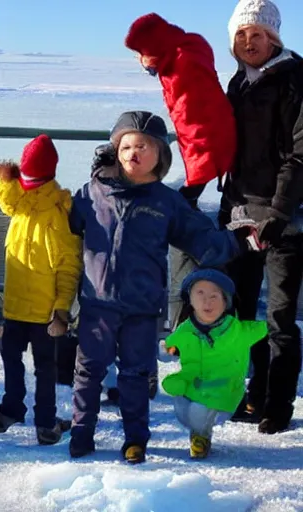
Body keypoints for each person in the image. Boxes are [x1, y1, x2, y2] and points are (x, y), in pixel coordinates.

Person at [68, 111, 261, 464]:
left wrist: (241, 242)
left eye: (142, 145)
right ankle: (82, 432)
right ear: (113, 151)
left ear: (161, 156)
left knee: (136, 374)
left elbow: (200, 238)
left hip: (142, 307)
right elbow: (63, 225)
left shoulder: (165, 202)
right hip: (97, 302)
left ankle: (135, 439)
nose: (132, 152)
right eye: (124, 145)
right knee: (89, 370)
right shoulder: (92, 192)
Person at [220, 0, 303, 434]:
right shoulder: (239, 83)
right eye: (241, 35)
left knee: (281, 315)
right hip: (238, 211)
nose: (249, 42)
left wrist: (278, 210)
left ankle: (278, 403)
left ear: (274, 39)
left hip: (285, 218)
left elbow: (300, 155)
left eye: (257, 34)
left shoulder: (295, 81)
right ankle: (252, 394)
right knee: (240, 311)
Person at [125, 13, 237, 331]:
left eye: (141, 53)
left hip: (210, 157)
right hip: (213, 154)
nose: (140, 60)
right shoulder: (186, 51)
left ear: (154, 47)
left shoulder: (182, 67)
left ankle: (191, 322)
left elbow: (196, 126)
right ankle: (197, 319)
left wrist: (195, 180)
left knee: (183, 224)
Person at [0, 135, 82, 446]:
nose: (24, 183)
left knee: (43, 367)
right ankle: (19, 410)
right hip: (19, 308)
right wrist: (4, 179)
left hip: (42, 313)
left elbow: (69, 265)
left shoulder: (57, 214)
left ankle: (41, 420)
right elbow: (8, 198)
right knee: (19, 360)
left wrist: (61, 310)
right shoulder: (22, 205)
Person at [163, 269, 267, 459]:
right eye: (200, 294)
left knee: (198, 411)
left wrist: (278, 324)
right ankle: (199, 432)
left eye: (214, 296)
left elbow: (267, 327)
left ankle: (201, 437)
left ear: (225, 302)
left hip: (223, 390)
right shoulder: (186, 329)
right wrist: (170, 348)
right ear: (191, 300)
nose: (207, 301)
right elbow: (171, 343)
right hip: (195, 387)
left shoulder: (238, 331)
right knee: (182, 405)